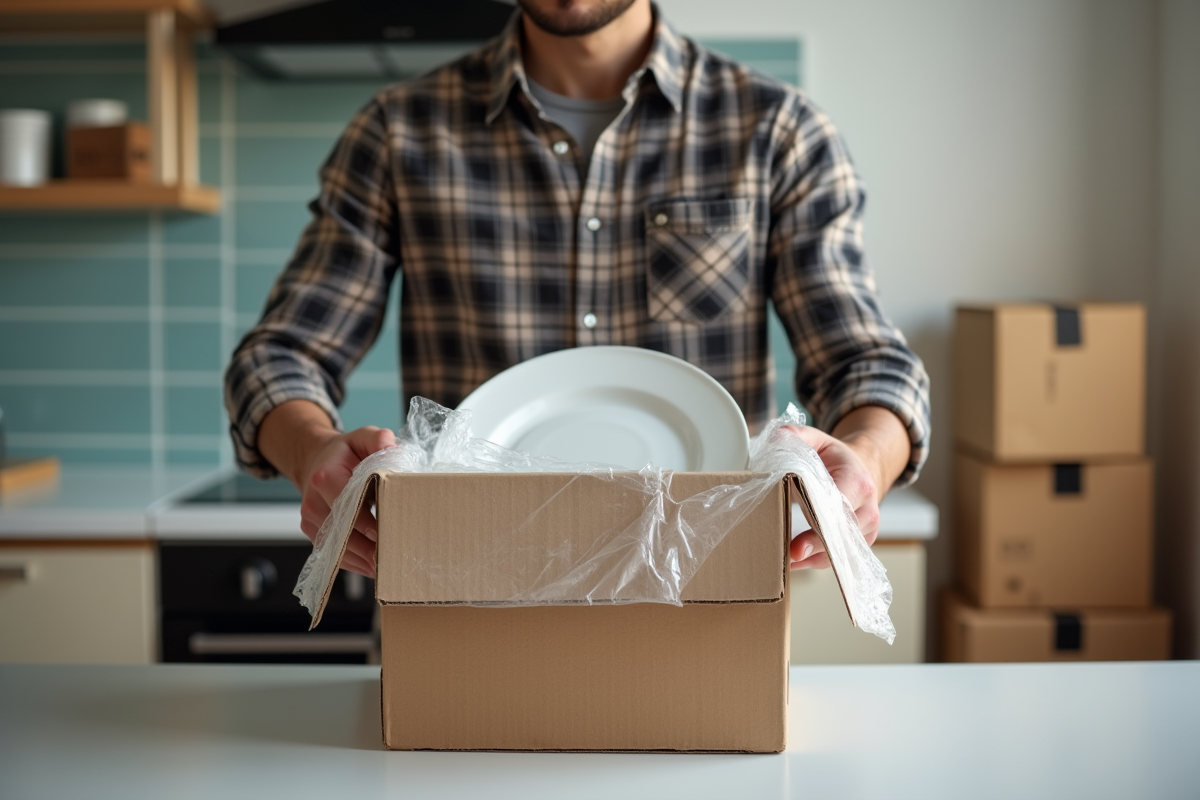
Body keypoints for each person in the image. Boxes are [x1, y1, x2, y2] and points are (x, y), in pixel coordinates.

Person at [224, 0, 931, 580]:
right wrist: (314, 450)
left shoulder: (778, 132)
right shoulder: (398, 132)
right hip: (467, 590)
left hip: (707, 589)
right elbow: (279, 358)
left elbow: (868, 365)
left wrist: (864, 461)